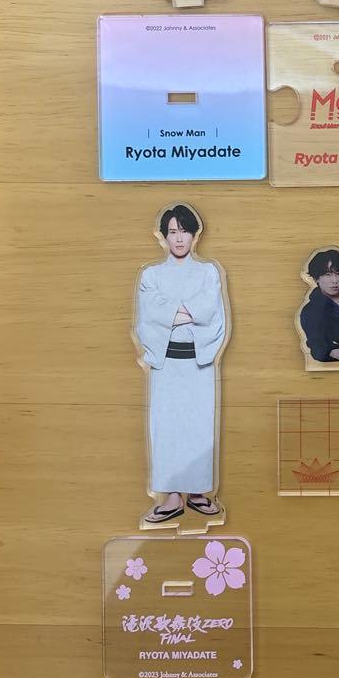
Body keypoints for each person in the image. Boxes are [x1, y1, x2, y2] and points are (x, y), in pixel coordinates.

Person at [134, 204, 228, 524]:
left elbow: (211, 314)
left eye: (184, 231)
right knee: (166, 427)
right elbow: (150, 317)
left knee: (199, 427)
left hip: (199, 363)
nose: (178, 238)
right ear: (163, 236)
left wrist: (171, 314)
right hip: (166, 364)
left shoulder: (208, 272)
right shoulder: (151, 276)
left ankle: (198, 491)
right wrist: (190, 313)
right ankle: (172, 495)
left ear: (194, 235)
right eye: (172, 232)